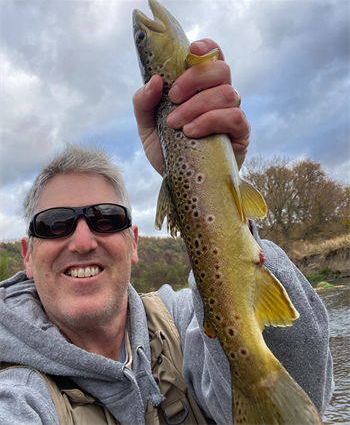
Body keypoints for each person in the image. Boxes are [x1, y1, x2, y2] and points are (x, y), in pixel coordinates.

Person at [0, 39, 333, 425]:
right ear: (26, 254)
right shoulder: (17, 396)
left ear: (133, 243)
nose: (83, 241)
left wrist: (212, 184)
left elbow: (304, 396)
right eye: (55, 224)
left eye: (107, 219)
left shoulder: (183, 321)